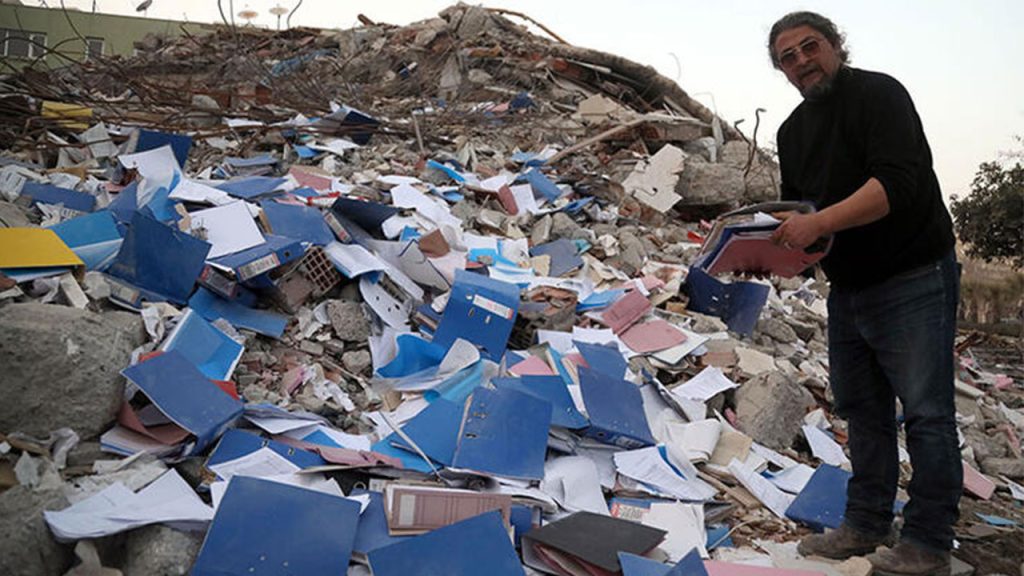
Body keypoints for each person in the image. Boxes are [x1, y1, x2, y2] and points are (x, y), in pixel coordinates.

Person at [766, 11, 961, 576]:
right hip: (849, 287)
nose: (802, 61)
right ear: (781, 70)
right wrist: (770, 255)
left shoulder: (879, 95)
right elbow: (802, 217)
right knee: (862, 411)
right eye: (788, 57)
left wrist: (816, 222)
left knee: (926, 413)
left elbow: (897, 185)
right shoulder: (791, 132)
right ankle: (866, 523)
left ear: (835, 46)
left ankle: (928, 542)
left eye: (811, 47)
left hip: (914, 273)